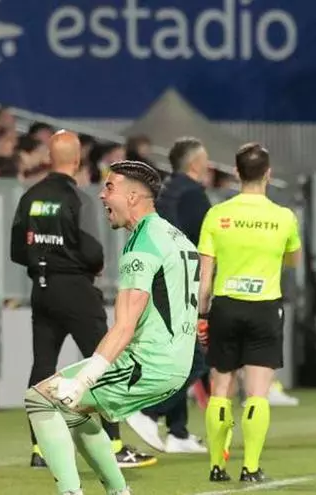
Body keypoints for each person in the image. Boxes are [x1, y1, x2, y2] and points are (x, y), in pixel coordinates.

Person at [25, 161, 199, 495]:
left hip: (147, 364)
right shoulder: (176, 237)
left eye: (109, 188)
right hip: (174, 361)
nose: (102, 195)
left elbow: (124, 327)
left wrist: (84, 379)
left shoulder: (143, 245)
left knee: (40, 399)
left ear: (133, 197)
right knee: (75, 409)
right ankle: (118, 492)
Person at [10, 130, 155, 470]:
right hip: (75, 288)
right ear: (76, 160)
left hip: (42, 288)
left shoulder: (30, 197)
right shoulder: (79, 199)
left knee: (43, 366)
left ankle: (41, 450)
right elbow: (91, 249)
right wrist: (91, 263)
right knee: (104, 360)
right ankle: (114, 445)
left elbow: (17, 249)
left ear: (49, 157)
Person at [198, 143, 301, 483]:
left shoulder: (217, 215)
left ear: (237, 172)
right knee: (257, 393)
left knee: (221, 388)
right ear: (268, 174)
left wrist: (201, 314)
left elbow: (205, 276)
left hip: (225, 306)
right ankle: (251, 468)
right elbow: (292, 260)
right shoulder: (284, 217)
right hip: (264, 308)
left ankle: (216, 465)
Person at [125, 137, 211, 454]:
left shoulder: (164, 191)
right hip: (180, 280)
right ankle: (149, 411)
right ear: (195, 164)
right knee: (194, 360)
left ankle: (178, 431)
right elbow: (205, 242)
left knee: (178, 352)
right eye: (205, 159)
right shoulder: (194, 195)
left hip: (157, 276)